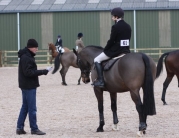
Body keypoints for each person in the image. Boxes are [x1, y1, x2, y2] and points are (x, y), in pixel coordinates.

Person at [92, 7, 132, 88]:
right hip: (126, 50)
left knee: (96, 59)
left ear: (116, 17)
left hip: (116, 51)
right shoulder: (128, 26)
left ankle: (101, 81)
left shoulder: (115, 27)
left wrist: (106, 49)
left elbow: (111, 41)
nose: (112, 17)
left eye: (113, 15)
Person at [16, 39, 49, 135]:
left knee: (25, 107)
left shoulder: (26, 56)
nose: (37, 50)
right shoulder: (27, 57)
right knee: (32, 108)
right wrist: (42, 72)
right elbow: (28, 72)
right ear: (31, 47)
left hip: (25, 85)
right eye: (36, 47)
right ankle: (34, 128)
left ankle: (19, 127)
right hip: (29, 85)